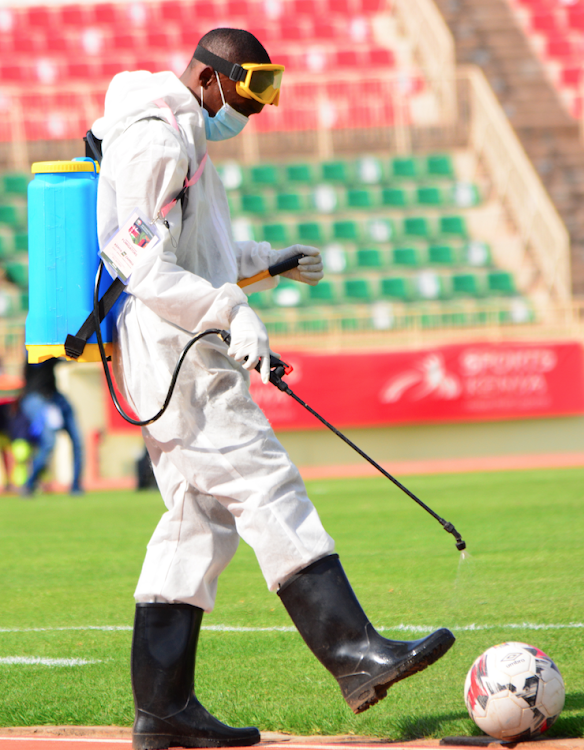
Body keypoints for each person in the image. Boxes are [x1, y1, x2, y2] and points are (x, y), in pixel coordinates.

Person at [92, 27, 455, 750]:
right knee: (265, 484)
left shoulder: (188, 136)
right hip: (179, 354)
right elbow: (140, 262)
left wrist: (266, 263)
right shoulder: (158, 140)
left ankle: (162, 710)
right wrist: (232, 310)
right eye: (248, 91)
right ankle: (355, 653)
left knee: (196, 525)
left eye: (265, 93)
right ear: (207, 76)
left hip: (184, 346)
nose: (254, 109)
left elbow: (202, 253)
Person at [19, 358, 83, 496]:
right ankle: (29, 484)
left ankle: (76, 486)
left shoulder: (52, 355)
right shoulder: (34, 350)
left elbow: (67, 359)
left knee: (77, 441)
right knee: (49, 442)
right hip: (36, 398)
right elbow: (41, 359)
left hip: (53, 397)